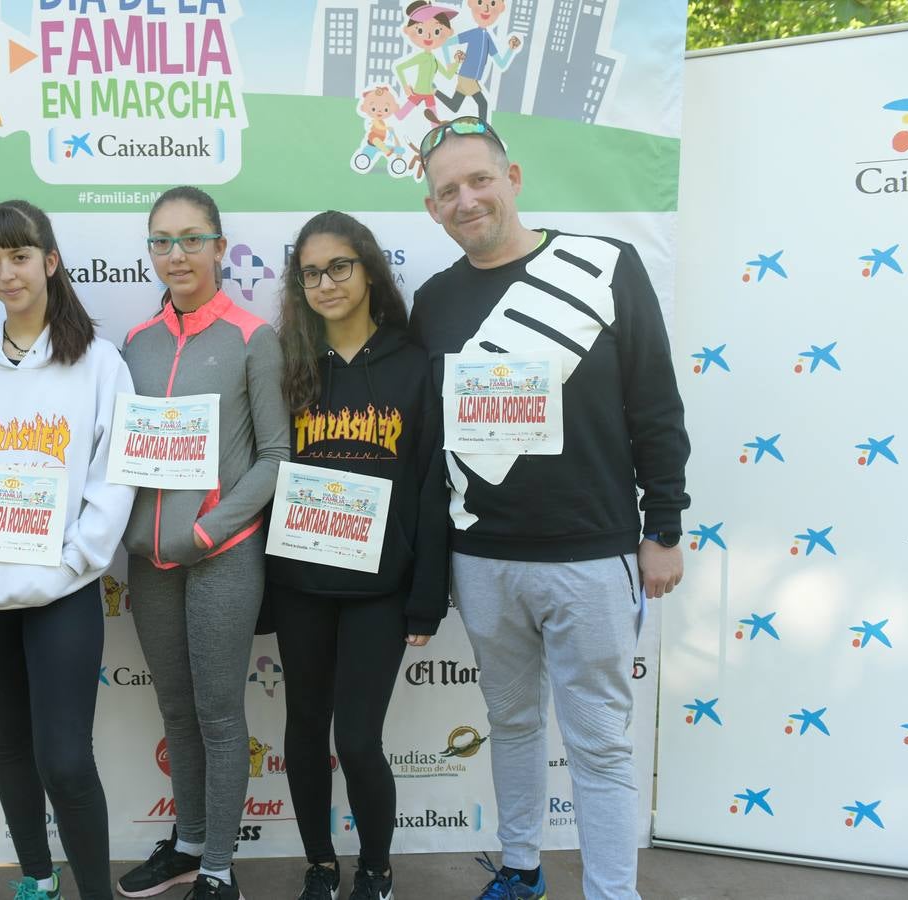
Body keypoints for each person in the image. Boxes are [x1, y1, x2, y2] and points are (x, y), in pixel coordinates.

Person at [408, 117, 690, 900]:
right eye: (448, 192)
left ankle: (611, 892)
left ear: (514, 177)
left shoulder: (605, 267)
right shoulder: (433, 301)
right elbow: (432, 443)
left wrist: (662, 527)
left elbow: (656, 408)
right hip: (484, 559)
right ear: (432, 210)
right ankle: (522, 867)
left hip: (592, 555)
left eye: (479, 180)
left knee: (599, 746)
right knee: (517, 726)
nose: (467, 200)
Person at [0, 200, 135, 900]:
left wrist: (76, 560)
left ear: (50, 260)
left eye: (18, 256)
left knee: (65, 760)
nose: (6, 272)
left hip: (61, 592)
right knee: (9, 746)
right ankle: (37, 881)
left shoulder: (99, 364)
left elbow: (114, 475)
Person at [270, 211, 448, 900]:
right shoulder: (289, 366)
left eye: (339, 266)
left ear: (369, 269)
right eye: (311, 272)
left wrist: (427, 593)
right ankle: (320, 864)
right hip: (299, 582)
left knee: (360, 740)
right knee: (304, 729)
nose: (326, 283)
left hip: (381, 587)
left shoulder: (414, 365)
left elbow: (433, 484)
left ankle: (376, 868)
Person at [116, 186, 288, 900]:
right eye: (162, 240)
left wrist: (207, 530)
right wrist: (137, 535)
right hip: (150, 563)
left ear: (221, 247)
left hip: (221, 554)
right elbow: (124, 454)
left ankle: (219, 869)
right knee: (176, 711)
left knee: (220, 716)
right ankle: (187, 843)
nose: (176, 254)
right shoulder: (134, 343)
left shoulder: (253, 337)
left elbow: (275, 455)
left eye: (191, 238)